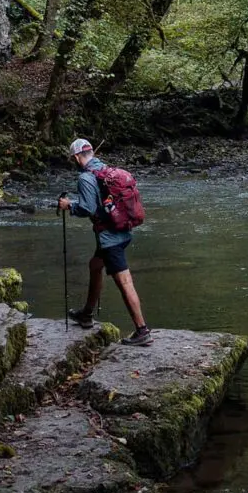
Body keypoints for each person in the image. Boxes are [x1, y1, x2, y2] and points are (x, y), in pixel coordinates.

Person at [58, 138, 153, 347]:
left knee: (125, 282)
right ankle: (87, 314)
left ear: (76, 157)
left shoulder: (85, 178)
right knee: (95, 265)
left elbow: (87, 209)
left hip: (110, 238)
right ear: (92, 152)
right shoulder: (105, 171)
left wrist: (68, 205)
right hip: (123, 230)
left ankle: (142, 330)